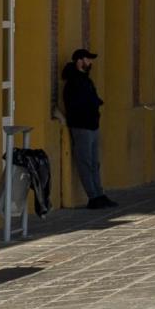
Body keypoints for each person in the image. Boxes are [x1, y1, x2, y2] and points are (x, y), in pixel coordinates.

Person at [61, 48, 115, 209]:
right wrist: (91, 105)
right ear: (79, 61)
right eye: (87, 59)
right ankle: (93, 197)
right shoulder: (73, 82)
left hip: (92, 125)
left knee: (94, 163)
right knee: (85, 162)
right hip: (81, 127)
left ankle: (100, 194)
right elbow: (75, 104)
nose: (90, 62)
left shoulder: (86, 80)